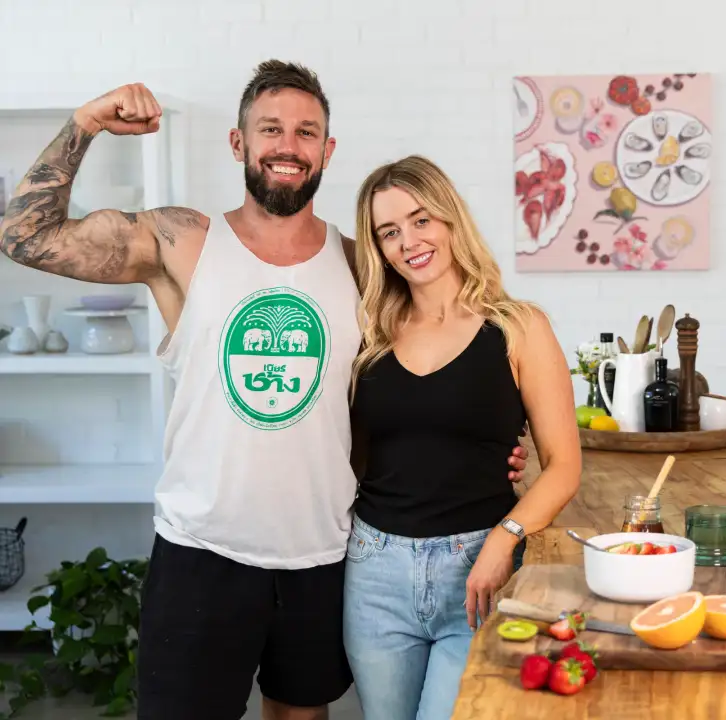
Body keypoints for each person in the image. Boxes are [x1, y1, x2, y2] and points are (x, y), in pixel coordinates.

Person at [0, 61, 529, 720]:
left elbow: (434, 378)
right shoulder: (182, 242)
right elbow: (25, 235)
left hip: (323, 552)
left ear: (327, 151)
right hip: (201, 553)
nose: (288, 145)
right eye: (270, 128)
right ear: (238, 143)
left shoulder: (362, 265)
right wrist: (85, 124)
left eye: (306, 132)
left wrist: (509, 452)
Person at [343, 155, 582, 720]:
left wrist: (505, 538)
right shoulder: (367, 334)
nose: (410, 241)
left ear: (450, 219)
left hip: (478, 570)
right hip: (375, 572)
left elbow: (565, 464)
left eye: (421, 220)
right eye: (389, 232)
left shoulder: (519, 327)